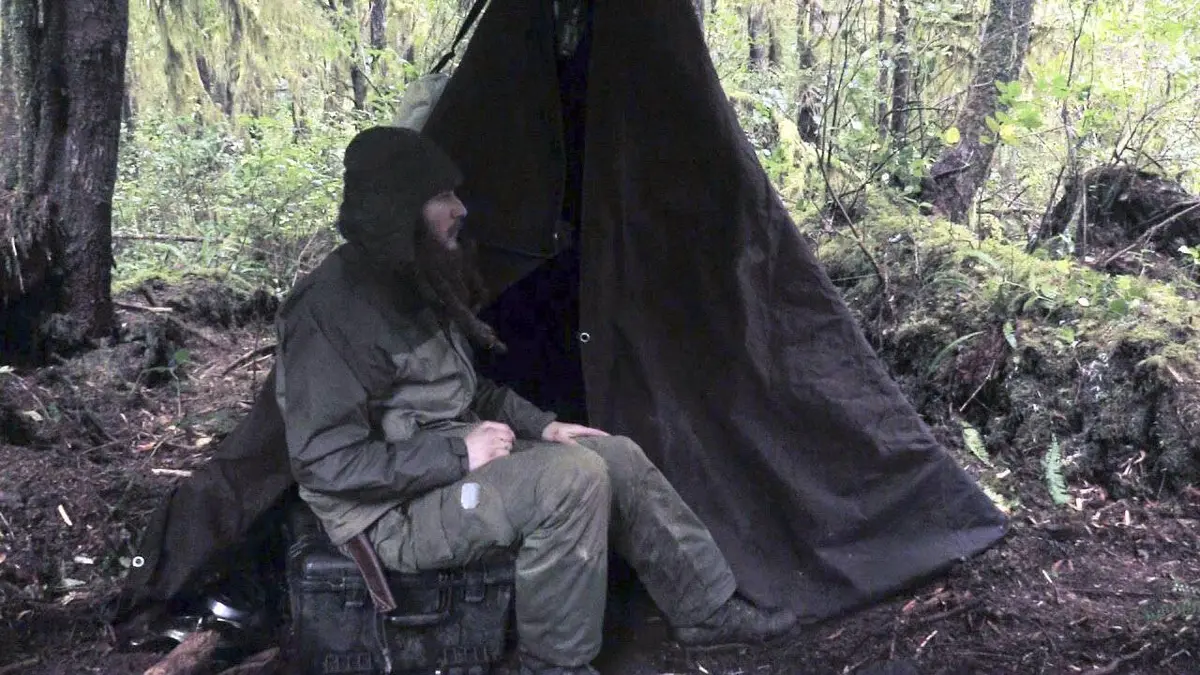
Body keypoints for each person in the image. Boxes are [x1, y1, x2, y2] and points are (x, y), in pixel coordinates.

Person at [274, 126, 797, 675]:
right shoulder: (329, 311)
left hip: (439, 469)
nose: (460, 209)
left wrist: (544, 427)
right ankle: (554, 665)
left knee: (614, 456)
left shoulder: (408, 275)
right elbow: (325, 463)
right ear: (399, 207)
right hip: (387, 516)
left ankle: (704, 610)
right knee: (571, 479)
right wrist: (458, 455)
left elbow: (465, 392)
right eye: (442, 196)